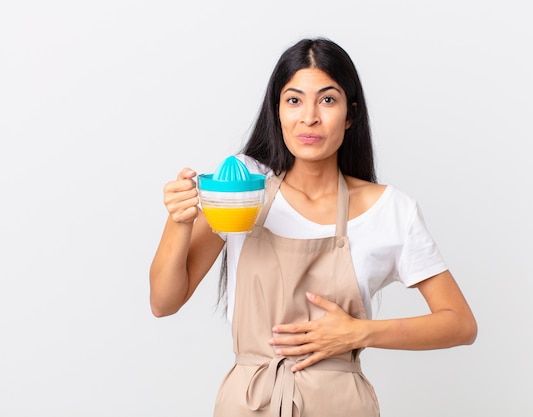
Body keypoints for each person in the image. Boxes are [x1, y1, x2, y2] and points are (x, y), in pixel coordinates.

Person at [149, 37, 477, 417]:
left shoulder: (388, 210)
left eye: (327, 99)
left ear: (350, 114)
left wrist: (360, 332)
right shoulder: (244, 189)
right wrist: (179, 222)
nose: (309, 117)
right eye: (294, 100)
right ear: (278, 112)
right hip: (248, 403)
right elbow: (164, 302)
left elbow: (459, 323)